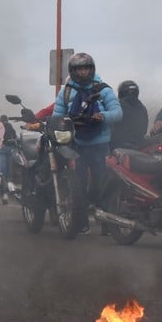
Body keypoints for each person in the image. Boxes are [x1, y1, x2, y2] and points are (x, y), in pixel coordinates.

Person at [51, 53, 123, 233]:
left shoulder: (104, 90)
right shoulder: (66, 92)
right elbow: (57, 116)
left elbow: (118, 112)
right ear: (72, 71)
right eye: (79, 69)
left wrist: (103, 116)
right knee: (78, 185)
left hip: (100, 145)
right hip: (76, 145)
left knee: (103, 184)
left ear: (92, 69)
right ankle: (81, 222)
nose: (83, 72)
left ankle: (108, 224)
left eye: (86, 68)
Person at [111, 80, 149, 150]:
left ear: (121, 92)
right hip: (139, 145)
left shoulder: (117, 105)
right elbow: (144, 130)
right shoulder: (142, 107)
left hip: (118, 146)